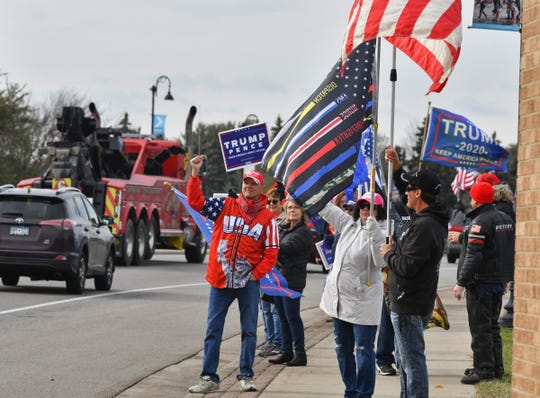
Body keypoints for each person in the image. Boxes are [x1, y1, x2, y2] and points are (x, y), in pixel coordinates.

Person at [186, 156, 279, 394]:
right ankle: (209, 377)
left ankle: (246, 375)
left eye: (253, 183)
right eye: (246, 182)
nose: (248, 185)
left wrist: (256, 275)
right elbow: (195, 202)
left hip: (248, 283)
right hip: (220, 280)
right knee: (213, 329)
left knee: (249, 330)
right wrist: (195, 175)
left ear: (260, 190)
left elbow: (271, 252)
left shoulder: (268, 219)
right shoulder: (225, 206)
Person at [380, 145, 449, 398]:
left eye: (410, 189)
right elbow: (403, 189)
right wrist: (397, 168)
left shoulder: (425, 226)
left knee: (412, 364)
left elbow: (407, 266)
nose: (405, 193)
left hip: (408, 303)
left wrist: (388, 253)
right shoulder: (425, 217)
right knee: (404, 362)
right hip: (407, 302)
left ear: (418, 193)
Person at [319, 192, 387, 397]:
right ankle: (351, 390)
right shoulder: (349, 224)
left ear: (379, 209)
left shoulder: (384, 231)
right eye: (363, 204)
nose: (366, 208)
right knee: (341, 348)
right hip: (339, 299)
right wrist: (311, 187)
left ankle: (364, 393)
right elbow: (325, 209)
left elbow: (380, 262)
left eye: (371, 205)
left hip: (363, 301)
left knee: (364, 350)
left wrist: (375, 234)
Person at [451, 182, 515, 384]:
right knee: (493, 327)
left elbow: (474, 256)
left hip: (481, 283)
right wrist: (505, 278)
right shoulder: (505, 219)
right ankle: (496, 367)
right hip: (497, 281)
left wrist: (461, 282)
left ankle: (483, 369)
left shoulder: (479, 222)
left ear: (476, 200)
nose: (470, 200)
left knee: (480, 329)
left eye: (471, 197)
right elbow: (507, 252)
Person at [268, 197, 312, 367]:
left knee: (292, 317)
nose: (292, 210)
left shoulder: (303, 232)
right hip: (279, 277)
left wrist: (271, 246)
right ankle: (287, 351)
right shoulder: (284, 228)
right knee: (282, 317)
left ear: (302, 212)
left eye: (296, 208)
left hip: (293, 280)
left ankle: (300, 354)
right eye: (289, 208)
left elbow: (287, 248)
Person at [258, 186, 285, 358]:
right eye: (268, 202)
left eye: (274, 201)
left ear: (281, 203)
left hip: (278, 270)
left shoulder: (284, 221)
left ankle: (278, 342)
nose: (271, 204)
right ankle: (270, 339)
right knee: (265, 308)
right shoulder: (264, 220)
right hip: (262, 269)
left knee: (275, 309)